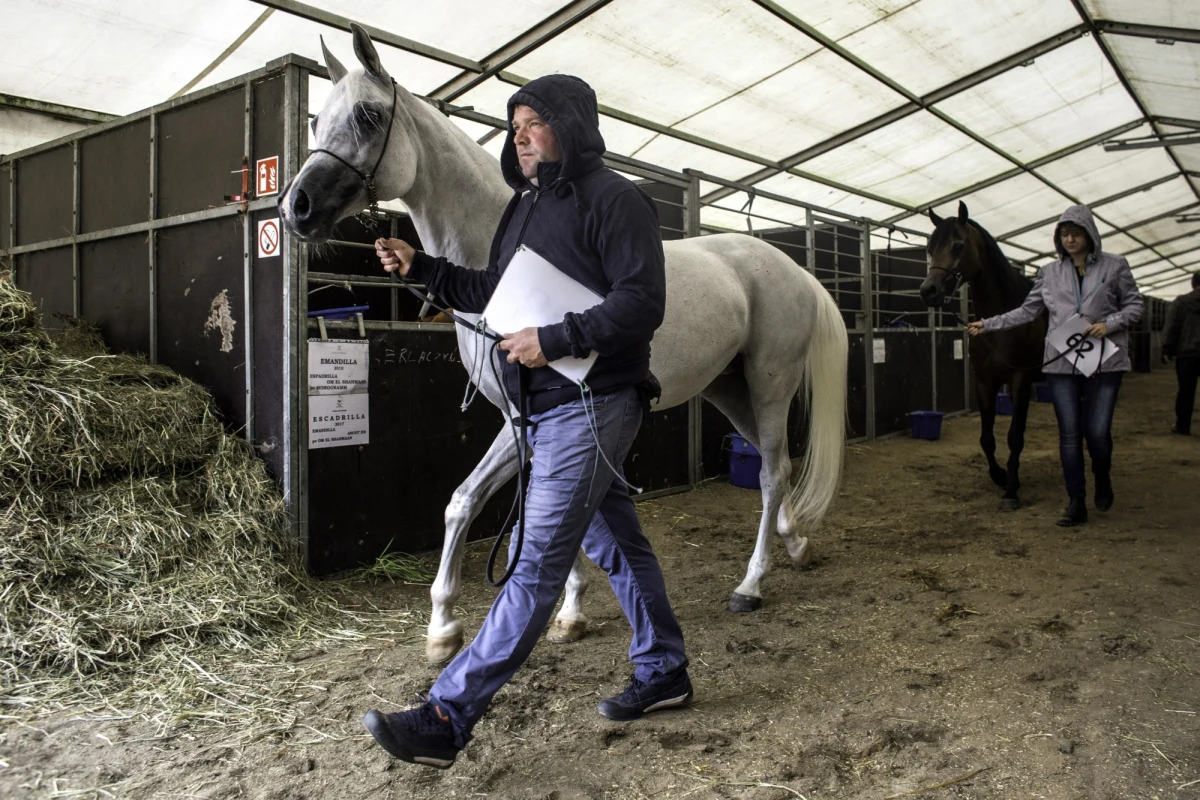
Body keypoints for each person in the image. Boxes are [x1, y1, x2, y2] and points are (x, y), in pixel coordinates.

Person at [361, 75, 690, 769]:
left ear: (569, 126)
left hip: (593, 402)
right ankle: (664, 670)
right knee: (617, 545)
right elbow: (491, 292)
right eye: (514, 127)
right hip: (543, 408)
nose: (520, 137)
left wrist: (556, 338)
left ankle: (447, 716)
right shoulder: (524, 207)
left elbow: (642, 302)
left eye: (533, 123)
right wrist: (423, 269)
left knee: (536, 562)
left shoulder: (617, 200)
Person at [967, 205, 1144, 527]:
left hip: (1104, 361)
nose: (1070, 239)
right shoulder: (1049, 273)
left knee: (1098, 433)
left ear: (1090, 234)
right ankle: (1076, 501)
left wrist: (1110, 324)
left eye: (1075, 233)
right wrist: (988, 324)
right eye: (1064, 234)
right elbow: (1028, 310)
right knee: (1069, 435)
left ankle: (1101, 474)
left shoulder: (1115, 265)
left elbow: (1135, 305)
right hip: (1062, 363)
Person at [1163, 272, 1200, 436]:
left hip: (1186, 354)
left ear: (1192, 284)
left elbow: (1171, 326)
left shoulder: (1181, 302)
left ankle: (1183, 426)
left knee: (1186, 391)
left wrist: (1167, 349)